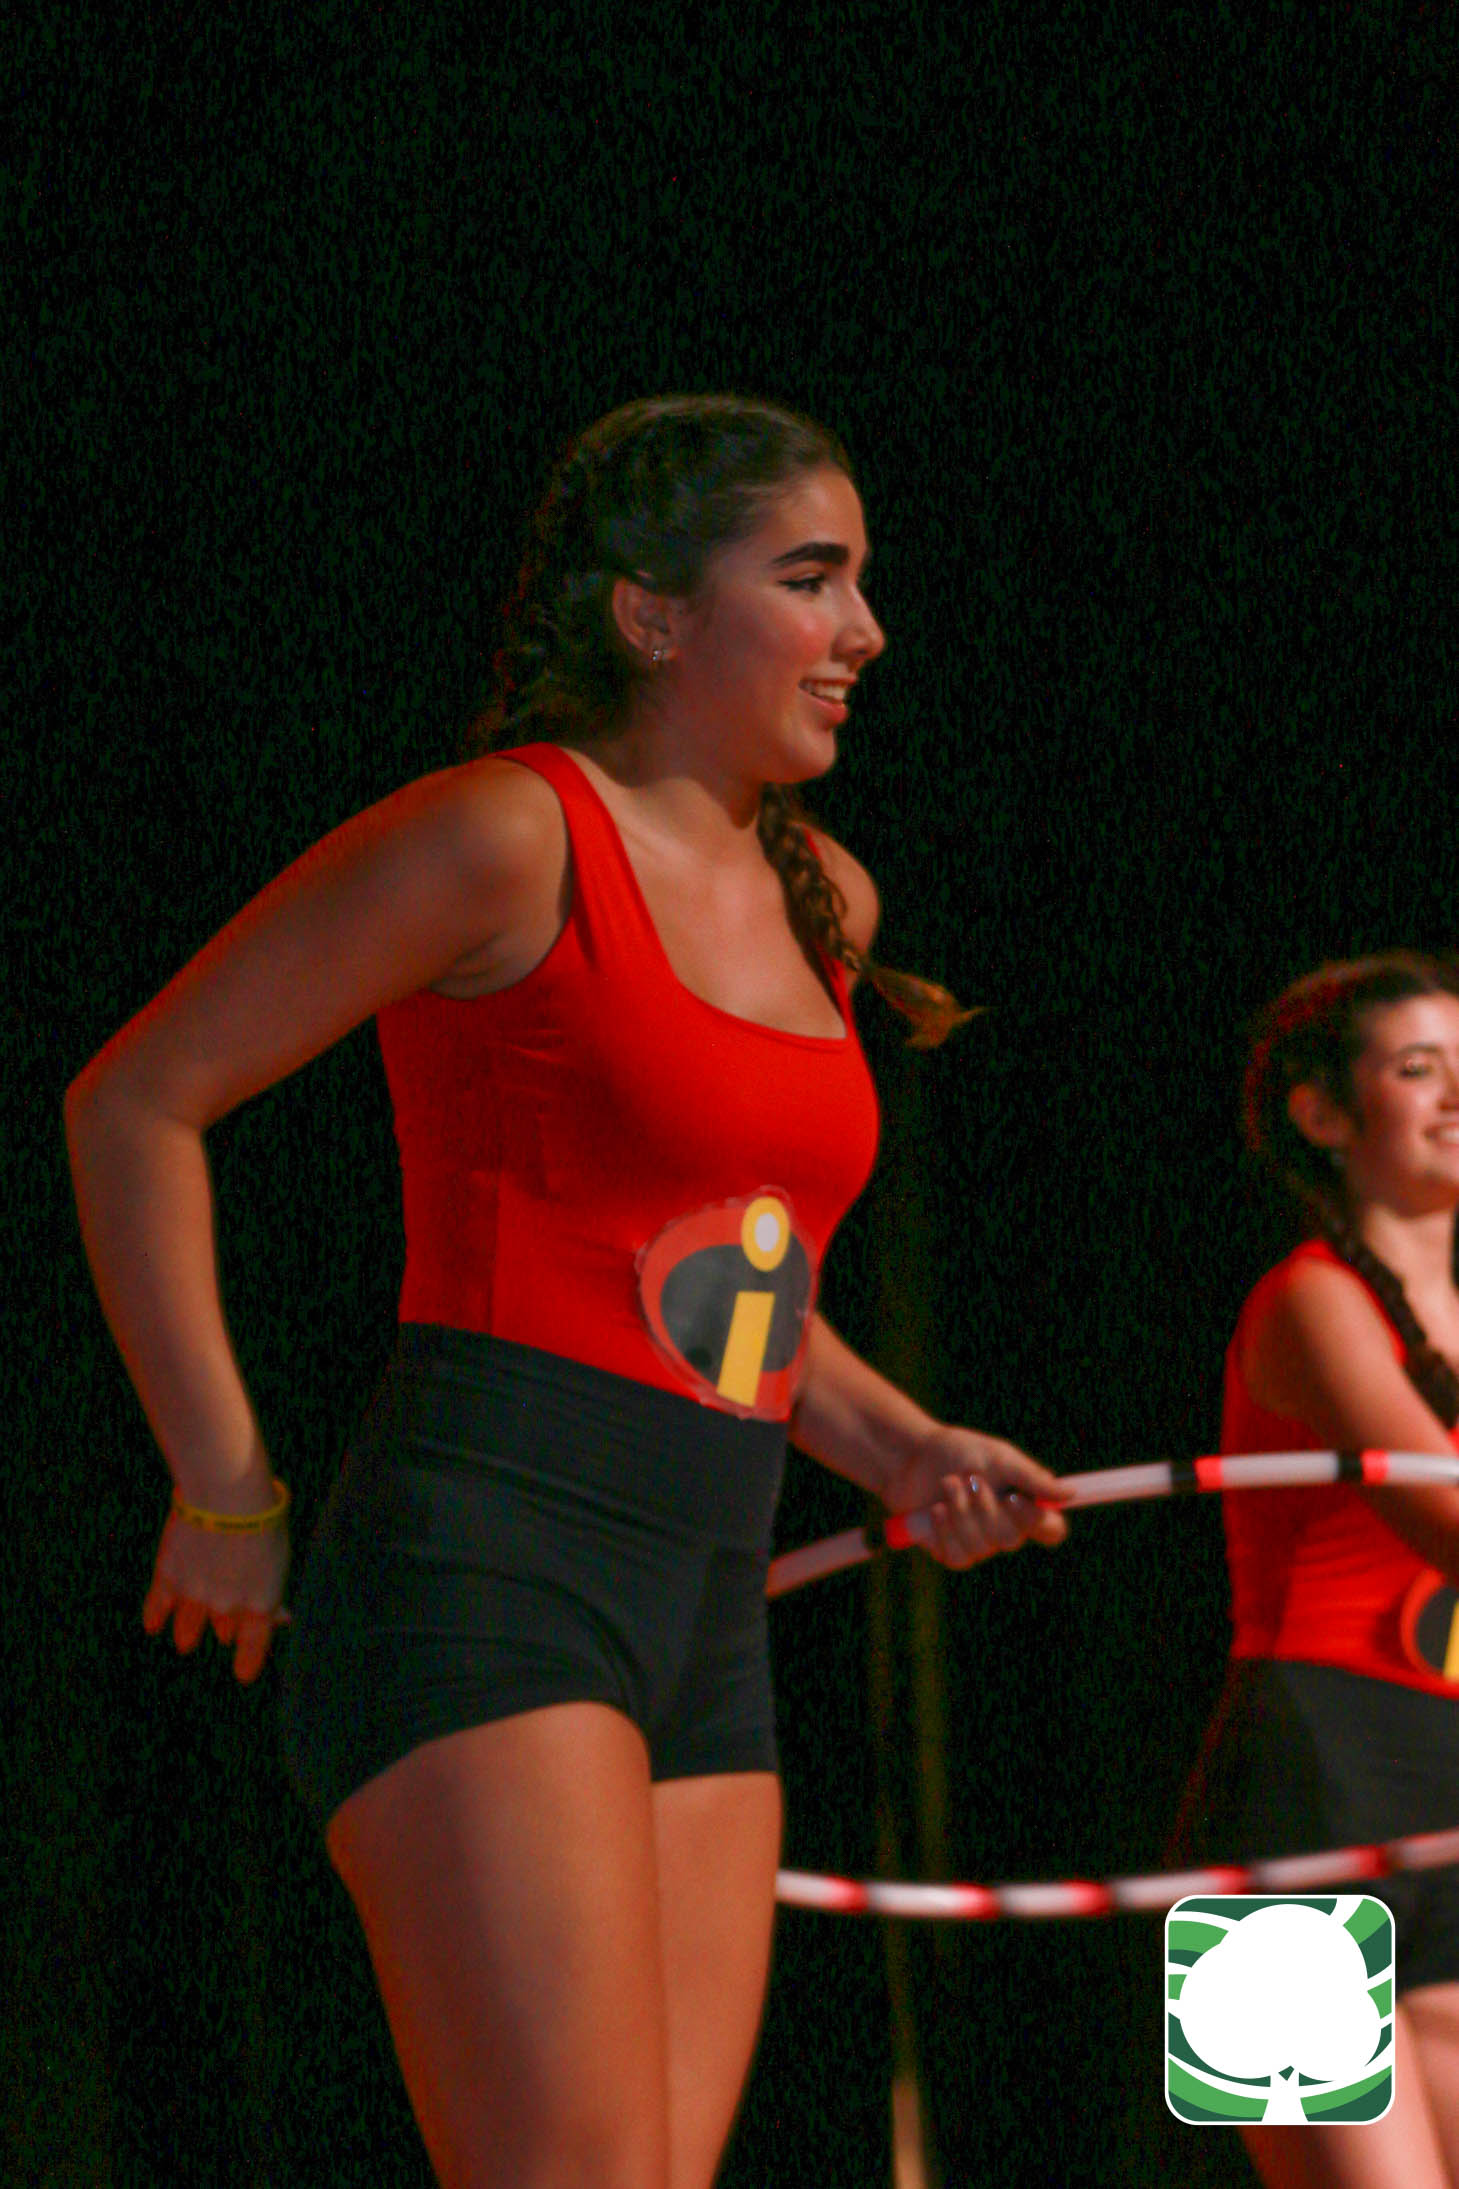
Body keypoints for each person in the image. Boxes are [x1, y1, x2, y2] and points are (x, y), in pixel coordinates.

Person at [64, 393, 1069, 2189]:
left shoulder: (824, 897)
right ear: (652, 614)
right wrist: (222, 1480)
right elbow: (134, 1100)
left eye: (859, 582)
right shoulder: (505, 835)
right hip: (488, 1570)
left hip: (708, 1602)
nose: (863, 630)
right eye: (810, 579)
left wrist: (901, 1444)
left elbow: (730, 1275)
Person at [1171, 953, 1459, 2188]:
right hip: (1299, 1804)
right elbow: (1441, 1514)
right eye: (1419, 1069)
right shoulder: (1311, 1299)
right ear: (1323, 1114)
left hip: (1442, 1792)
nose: (1457, 1095)